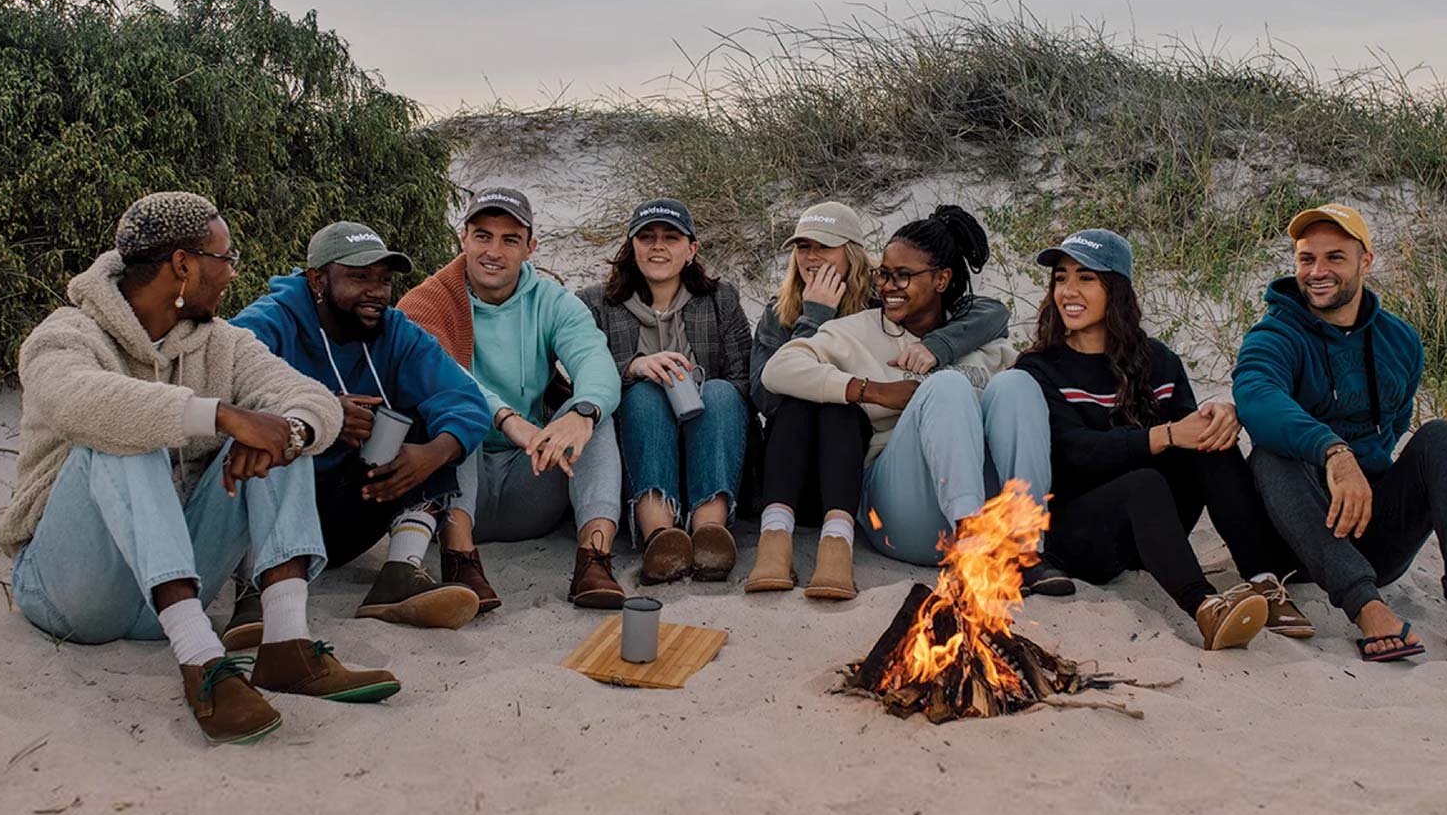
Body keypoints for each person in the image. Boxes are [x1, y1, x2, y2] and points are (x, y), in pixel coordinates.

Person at [0, 192, 399, 746]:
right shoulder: (66, 334)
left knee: (277, 432)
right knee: (121, 432)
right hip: (72, 593)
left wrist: (290, 431)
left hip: (167, 594)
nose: (233, 274)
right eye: (225, 259)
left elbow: (308, 396)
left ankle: (288, 646)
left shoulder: (222, 343)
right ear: (183, 265)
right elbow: (77, 400)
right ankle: (204, 663)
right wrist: (223, 416)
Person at [1235, 204, 1447, 673]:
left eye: (1335, 257)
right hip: (1291, 536)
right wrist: (1334, 452)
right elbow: (1256, 397)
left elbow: (1393, 427)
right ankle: (1367, 608)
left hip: (1370, 533)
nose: (1317, 271)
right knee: (1273, 454)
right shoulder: (1273, 335)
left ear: (1365, 262)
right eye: (1306, 258)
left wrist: (1362, 472)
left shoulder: (1400, 341)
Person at [1013, 230, 1309, 650]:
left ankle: (1263, 581)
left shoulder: (1159, 361)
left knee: (1212, 447)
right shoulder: (1040, 367)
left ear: (1116, 290)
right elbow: (1071, 452)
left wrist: (1218, 417)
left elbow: (1189, 442)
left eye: (1086, 278)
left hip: (1151, 532)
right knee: (1144, 482)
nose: (1068, 291)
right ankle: (1205, 605)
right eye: (1061, 278)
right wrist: (1165, 435)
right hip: (1079, 536)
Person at [225, 220, 493, 644]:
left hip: (346, 512)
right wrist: (321, 411)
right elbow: (221, 383)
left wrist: (432, 454)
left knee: (439, 428)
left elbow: (466, 398)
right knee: (264, 430)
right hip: (265, 518)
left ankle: (400, 573)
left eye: (384, 280)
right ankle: (252, 593)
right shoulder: (269, 322)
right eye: (359, 277)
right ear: (317, 279)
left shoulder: (395, 330)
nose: (377, 291)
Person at [760, 205, 1048, 599]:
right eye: (884, 275)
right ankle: (970, 544)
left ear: (943, 279)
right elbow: (778, 369)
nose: (889, 287)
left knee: (1018, 384)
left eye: (904, 276)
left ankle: (1026, 546)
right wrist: (872, 390)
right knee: (945, 387)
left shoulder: (977, 336)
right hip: (903, 511)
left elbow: (997, 324)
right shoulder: (858, 330)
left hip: (985, 506)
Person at [394, 187, 628, 610]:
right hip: (460, 485)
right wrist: (505, 417)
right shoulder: (428, 301)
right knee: (453, 417)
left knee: (596, 416)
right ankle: (460, 560)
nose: (493, 251)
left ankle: (594, 559)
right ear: (463, 238)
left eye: (509, 239)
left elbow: (595, 359)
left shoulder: (552, 302)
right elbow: (440, 376)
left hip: (531, 477)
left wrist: (583, 411)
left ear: (530, 246)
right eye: (483, 236)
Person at [577, 199, 753, 583]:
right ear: (632, 247)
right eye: (647, 237)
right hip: (641, 437)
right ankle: (660, 535)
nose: (658, 246)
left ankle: (711, 533)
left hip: (710, 431)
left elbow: (745, 380)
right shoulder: (596, 304)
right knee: (643, 395)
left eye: (671, 237)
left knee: (723, 392)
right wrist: (635, 367)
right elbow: (581, 378)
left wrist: (693, 384)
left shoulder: (721, 299)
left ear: (691, 250)